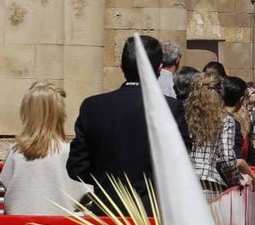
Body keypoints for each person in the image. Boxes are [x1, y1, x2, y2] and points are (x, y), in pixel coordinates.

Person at [67, 35, 191, 215]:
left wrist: (106, 182)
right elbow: (181, 163)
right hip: (152, 213)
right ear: (159, 68)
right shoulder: (170, 108)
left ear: (122, 66)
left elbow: (77, 167)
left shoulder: (93, 106)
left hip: (107, 212)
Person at [0, 82, 92, 215]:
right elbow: (87, 193)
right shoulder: (68, 152)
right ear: (59, 114)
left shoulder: (14, 151)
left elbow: (8, 186)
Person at [185, 72, 253, 196]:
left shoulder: (187, 116)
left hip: (186, 181)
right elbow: (227, 158)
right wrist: (238, 180)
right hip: (210, 184)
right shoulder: (225, 119)